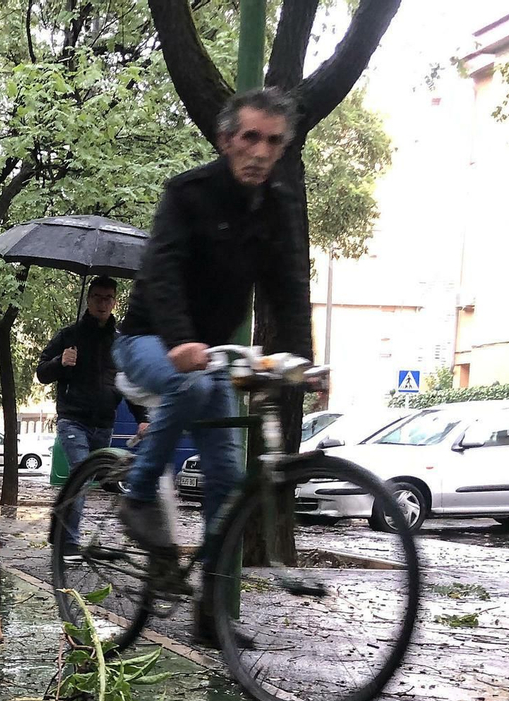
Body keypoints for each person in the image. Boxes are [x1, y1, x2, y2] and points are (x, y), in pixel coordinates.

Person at [114, 85, 313, 642]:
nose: (259, 151)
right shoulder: (188, 193)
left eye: (272, 141)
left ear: (282, 147)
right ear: (227, 139)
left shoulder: (277, 207)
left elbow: (289, 287)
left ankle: (210, 612)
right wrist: (179, 339)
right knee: (196, 385)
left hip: (209, 361)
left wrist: (304, 361)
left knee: (229, 478)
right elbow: (163, 270)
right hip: (148, 340)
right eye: (249, 137)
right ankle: (137, 499)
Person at [34, 275, 148, 560]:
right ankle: (69, 545)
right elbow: (41, 373)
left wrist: (142, 418)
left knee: (96, 479)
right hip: (73, 419)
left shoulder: (120, 342)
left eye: (108, 298)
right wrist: (61, 362)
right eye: (97, 297)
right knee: (80, 475)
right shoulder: (69, 335)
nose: (102, 303)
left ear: (115, 302)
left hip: (103, 422)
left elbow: (129, 384)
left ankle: (58, 530)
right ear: (88, 299)